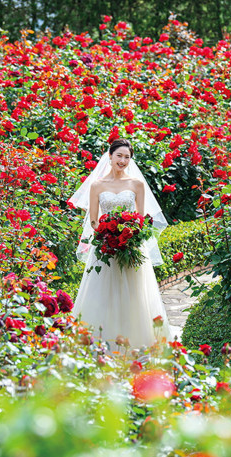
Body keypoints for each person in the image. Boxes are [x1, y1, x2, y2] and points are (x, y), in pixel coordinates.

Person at [68, 138, 172, 349]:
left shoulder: (136, 184)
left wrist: (129, 235)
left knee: (134, 294)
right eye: (119, 156)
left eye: (127, 157)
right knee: (102, 293)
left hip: (131, 245)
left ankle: (136, 342)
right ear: (110, 156)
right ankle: (100, 341)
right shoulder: (97, 186)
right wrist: (106, 234)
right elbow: (94, 220)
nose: (123, 160)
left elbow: (141, 218)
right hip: (105, 247)